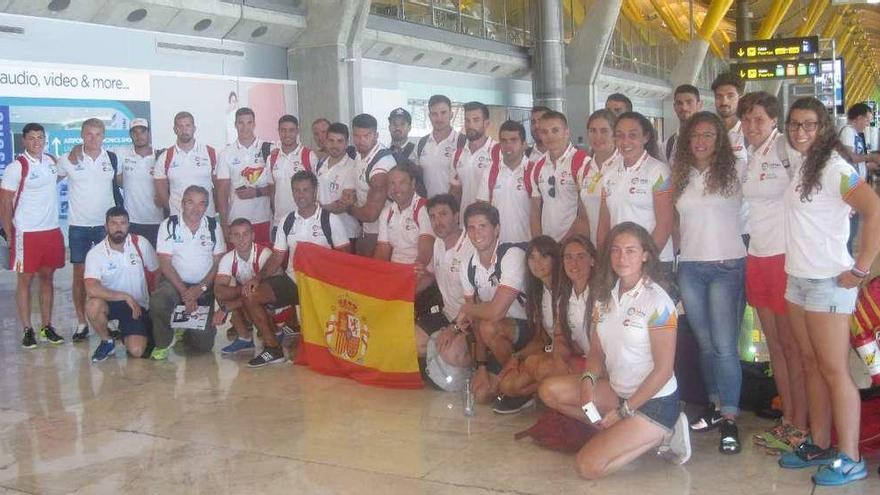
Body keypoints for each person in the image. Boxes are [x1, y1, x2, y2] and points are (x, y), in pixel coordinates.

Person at [778, 97, 880, 486]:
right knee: (810, 364)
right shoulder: (805, 164)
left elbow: (874, 209)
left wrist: (861, 267)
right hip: (798, 280)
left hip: (828, 283)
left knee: (835, 370)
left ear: (822, 129)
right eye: (794, 125)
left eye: (808, 125)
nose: (799, 132)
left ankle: (851, 456)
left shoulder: (837, 169)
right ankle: (819, 442)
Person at [539, 222, 690, 479]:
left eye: (631, 250)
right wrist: (588, 382)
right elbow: (597, 352)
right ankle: (621, 431)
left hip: (653, 402)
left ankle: (664, 432)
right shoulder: (603, 298)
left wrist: (624, 412)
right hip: (618, 391)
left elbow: (664, 371)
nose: (622, 257)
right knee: (549, 391)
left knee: (587, 467)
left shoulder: (658, 301)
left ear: (645, 255)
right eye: (616, 250)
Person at [671, 111, 746, 454]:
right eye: (695, 136)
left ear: (719, 140)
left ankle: (730, 418)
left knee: (725, 345)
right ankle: (716, 406)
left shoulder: (736, 171)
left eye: (708, 136)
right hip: (690, 268)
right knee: (704, 344)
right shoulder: (682, 175)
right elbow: (676, 221)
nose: (700, 142)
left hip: (726, 266)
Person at [738, 92, 807, 451]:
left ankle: (801, 422)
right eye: (747, 120)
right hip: (757, 255)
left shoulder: (787, 150)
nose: (752, 126)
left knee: (792, 347)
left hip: (784, 257)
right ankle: (788, 419)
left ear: (774, 121)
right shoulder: (750, 154)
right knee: (775, 347)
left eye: (759, 120)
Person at [243, 171, 350, 367]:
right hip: (293, 281)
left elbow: (345, 259)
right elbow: (277, 257)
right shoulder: (287, 220)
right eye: (296, 190)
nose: (301, 195)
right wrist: (257, 278)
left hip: (321, 286)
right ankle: (273, 348)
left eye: (305, 190)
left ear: (315, 191)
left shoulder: (330, 220)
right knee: (251, 295)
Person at [456, 203, 534, 414]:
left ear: (496, 229)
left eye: (483, 226)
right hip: (497, 337)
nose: (477, 233)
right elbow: (475, 321)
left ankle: (521, 386)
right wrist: (481, 366)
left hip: (529, 332)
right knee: (481, 394)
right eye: (471, 228)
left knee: (490, 325)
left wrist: (465, 307)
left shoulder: (511, 255)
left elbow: (495, 312)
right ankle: (511, 377)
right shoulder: (467, 265)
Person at [0, 123, 65, 348]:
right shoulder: (16, 167)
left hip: (51, 230)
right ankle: (27, 329)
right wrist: (8, 232)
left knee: (47, 279)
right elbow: (5, 201)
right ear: (24, 141)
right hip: (26, 233)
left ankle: (46, 326)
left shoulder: (50, 162)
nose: (37, 141)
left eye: (40, 137)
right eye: (32, 138)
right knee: (25, 281)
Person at [58, 118, 120, 342]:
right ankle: (81, 322)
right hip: (79, 227)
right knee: (80, 276)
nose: (93, 138)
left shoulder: (111, 158)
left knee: (109, 274)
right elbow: (50, 182)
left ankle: (110, 320)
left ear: (104, 136)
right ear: (82, 136)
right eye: (89, 134)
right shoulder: (69, 158)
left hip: (106, 227)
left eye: (97, 134)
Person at [597, 112, 674, 286]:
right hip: (620, 263)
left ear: (645, 137)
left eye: (632, 135)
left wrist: (644, 263)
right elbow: (604, 223)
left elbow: (665, 223)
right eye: (620, 135)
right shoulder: (608, 172)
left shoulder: (658, 171)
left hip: (654, 261)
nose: (625, 142)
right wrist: (603, 260)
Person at [150, 185, 226, 360]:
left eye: (202, 204)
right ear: (182, 203)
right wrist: (186, 293)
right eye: (191, 202)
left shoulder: (213, 226)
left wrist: (201, 288)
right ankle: (164, 342)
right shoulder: (169, 225)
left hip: (203, 287)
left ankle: (184, 328)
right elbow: (165, 264)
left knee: (203, 346)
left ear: (206, 206)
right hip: (175, 283)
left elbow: (217, 263)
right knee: (159, 301)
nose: (196, 208)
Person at [84, 206, 159, 362]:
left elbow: (156, 273)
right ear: (106, 226)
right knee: (93, 305)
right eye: (113, 223)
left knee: (137, 351)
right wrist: (124, 297)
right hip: (111, 303)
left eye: (122, 223)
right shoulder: (95, 253)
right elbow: (91, 288)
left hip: (138, 307)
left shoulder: (141, 243)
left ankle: (128, 332)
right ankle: (107, 341)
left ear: (128, 225)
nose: (118, 227)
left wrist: (154, 306)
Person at [495, 236, 565, 399]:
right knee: (507, 385)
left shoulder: (565, 291)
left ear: (555, 259)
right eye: (532, 257)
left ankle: (554, 394)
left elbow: (565, 343)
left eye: (543, 256)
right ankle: (543, 393)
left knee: (533, 364)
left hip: (568, 356)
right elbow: (541, 338)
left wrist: (535, 357)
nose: (537, 262)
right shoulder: (538, 292)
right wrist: (515, 357)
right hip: (550, 352)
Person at [419, 194, 475, 391]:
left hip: (469, 319)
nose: (437, 221)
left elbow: (476, 301)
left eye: (443, 214)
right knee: (409, 341)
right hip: (446, 313)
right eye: (432, 216)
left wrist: (455, 328)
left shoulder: (471, 247)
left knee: (452, 354)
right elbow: (430, 276)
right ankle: (441, 362)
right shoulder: (438, 244)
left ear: (456, 216)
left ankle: (474, 368)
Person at [213, 218, 274, 355]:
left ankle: (276, 331)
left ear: (253, 236)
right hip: (248, 298)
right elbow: (219, 290)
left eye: (245, 234)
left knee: (255, 297)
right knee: (222, 294)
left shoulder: (264, 254)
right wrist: (241, 290)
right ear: (230, 238)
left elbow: (269, 291)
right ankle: (244, 338)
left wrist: (227, 307)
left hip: (271, 302)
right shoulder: (228, 258)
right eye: (236, 235)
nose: (241, 239)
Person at [216, 107, 273, 244]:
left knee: (264, 262)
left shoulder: (270, 149)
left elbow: (277, 187)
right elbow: (222, 193)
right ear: (235, 124)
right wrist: (224, 224)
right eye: (241, 123)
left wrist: (257, 192)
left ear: (254, 124)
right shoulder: (226, 154)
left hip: (263, 219)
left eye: (249, 123)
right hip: (236, 221)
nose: (245, 127)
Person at [529, 111, 588, 242]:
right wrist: (539, 243)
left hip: (574, 244)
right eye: (544, 132)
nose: (549, 136)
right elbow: (535, 210)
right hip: (548, 246)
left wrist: (564, 244)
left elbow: (584, 213)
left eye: (555, 130)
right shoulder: (538, 166)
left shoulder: (582, 162)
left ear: (566, 132)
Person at [153, 111, 220, 219]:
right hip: (177, 220)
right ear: (175, 130)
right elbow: (162, 195)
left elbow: (219, 189)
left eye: (188, 125)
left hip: (207, 218)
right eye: (180, 126)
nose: (184, 130)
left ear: (194, 128)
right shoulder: (165, 157)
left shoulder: (211, 153)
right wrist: (175, 211)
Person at [476, 120, 532, 243]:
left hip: (527, 246)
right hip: (496, 246)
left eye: (514, 140)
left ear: (524, 144)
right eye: (504, 141)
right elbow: (482, 209)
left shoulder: (534, 171)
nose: (508, 145)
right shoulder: (490, 171)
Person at [374, 162, 434, 277]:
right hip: (396, 270)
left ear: (413, 184)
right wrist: (376, 272)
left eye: (402, 183)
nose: (396, 189)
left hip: (421, 271)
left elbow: (425, 251)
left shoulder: (424, 208)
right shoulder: (386, 212)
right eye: (392, 183)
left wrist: (413, 272)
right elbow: (382, 249)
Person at [349, 113, 395, 257]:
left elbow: (370, 215)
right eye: (356, 136)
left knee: (372, 270)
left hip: (383, 231)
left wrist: (347, 207)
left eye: (366, 136)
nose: (361, 141)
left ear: (376, 135)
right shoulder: (359, 154)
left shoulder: (381, 165)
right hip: (366, 226)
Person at [269, 115, 319, 237]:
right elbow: (272, 190)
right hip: (279, 222)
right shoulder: (272, 158)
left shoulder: (309, 155)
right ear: (278, 131)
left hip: (304, 222)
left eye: (291, 130)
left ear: (297, 131)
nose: (287, 134)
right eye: (283, 130)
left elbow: (317, 189)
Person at [839, 103, 877, 253]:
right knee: (850, 226)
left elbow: (857, 163)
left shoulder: (854, 134)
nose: (867, 125)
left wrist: (869, 166)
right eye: (867, 120)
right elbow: (850, 157)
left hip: (854, 184)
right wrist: (872, 156)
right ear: (859, 118)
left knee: (852, 226)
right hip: (849, 186)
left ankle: (847, 258)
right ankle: (846, 261)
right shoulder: (848, 131)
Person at [578, 109, 618, 244]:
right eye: (593, 131)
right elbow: (583, 218)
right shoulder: (584, 168)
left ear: (614, 134)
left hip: (618, 251)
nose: (598, 136)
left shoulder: (624, 166)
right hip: (593, 251)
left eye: (604, 131)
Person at [449, 101, 498, 213]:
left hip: (489, 225)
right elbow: (456, 192)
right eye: (467, 120)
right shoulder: (457, 155)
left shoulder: (498, 152)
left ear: (486, 123)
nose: (470, 125)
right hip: (464, 225)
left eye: (476, 120)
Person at [315, 123, 359, 243]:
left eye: (340, 141)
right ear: (326, 141)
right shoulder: (320, 164)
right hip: (322, 231)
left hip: (346, 232)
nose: (335, 145)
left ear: (347, 143)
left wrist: (317, 209)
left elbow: (343, 205)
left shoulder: (353, 167)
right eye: (331, 140)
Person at [416, 95, 460, 198]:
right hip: (427, 208)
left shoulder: (462, 142)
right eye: (434, 114)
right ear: (429, 116)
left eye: (443, 113)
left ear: (451, 114)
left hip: (453, 209)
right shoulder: (422, 143)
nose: (439, 118)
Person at [711, 73, 748, 163]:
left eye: (730, 96)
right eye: (719, 96)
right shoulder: (708, 131)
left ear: (740, 98)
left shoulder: (749, 132)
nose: (724, 102)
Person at [666, 85, 703, 163]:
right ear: (674, 107)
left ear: (699, 105)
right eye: (679, 103)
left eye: (689, 102)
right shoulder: (668, 145)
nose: (684, 108)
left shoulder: (711, 141)